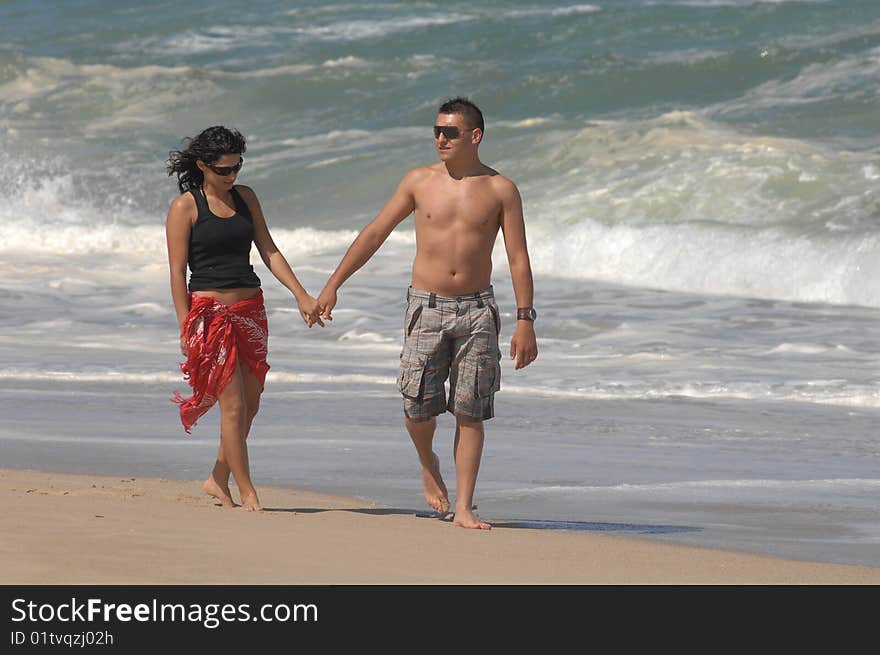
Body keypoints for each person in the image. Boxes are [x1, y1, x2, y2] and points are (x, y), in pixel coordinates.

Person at [317, 98, 538, 529]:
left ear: (475, 136)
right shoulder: (419, 181)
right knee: (417, 406)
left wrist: (525, 319)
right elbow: (376, 231)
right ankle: (427, 462)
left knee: (470, 410)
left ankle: (466, 507)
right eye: (437, 130)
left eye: (450, 132)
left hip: (477, 311)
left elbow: (518, 258)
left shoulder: (500, 189)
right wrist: (333, 284)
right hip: (427, 306)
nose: (440, 138)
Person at [165, 125, 323, 512]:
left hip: (250, 310)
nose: (232, 175)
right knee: (232, 407)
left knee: (251, 403)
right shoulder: (185, 207)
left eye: (237, 167)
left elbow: (269, 251)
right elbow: (176, 272)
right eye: (224, 170)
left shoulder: (246, 197)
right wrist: (185, 325)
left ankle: (217, 478)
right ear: (203, 165)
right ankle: (248, 491)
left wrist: (301, 294)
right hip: (209, 314)